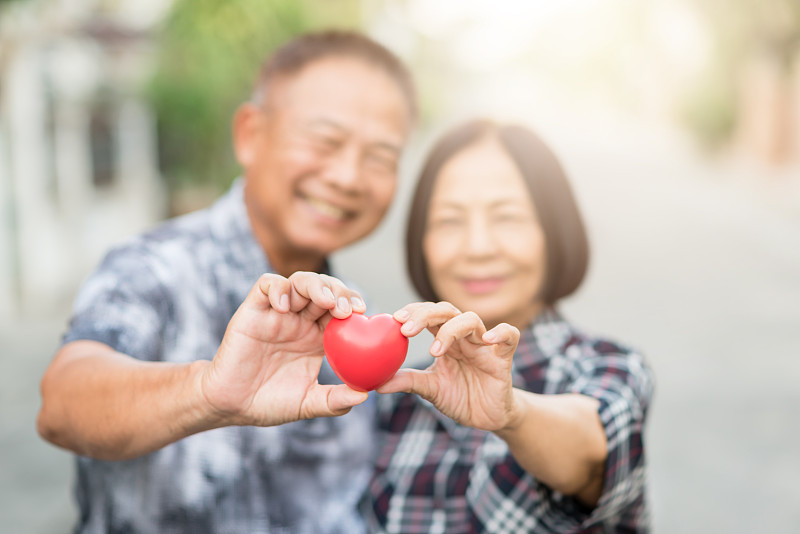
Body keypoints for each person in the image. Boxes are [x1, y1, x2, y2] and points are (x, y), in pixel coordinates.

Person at [37, 30, 415, 533]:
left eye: (380, 158)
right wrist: (207, 392)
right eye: (326, 140)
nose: (348, 176)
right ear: (250, 135)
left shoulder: (354, 322)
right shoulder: (155, 267)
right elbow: (62, 405)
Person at [363, 119, 654, 532]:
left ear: (554, 231)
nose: (478, 247)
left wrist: (512, 414)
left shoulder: (608, 369)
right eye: (449, 220)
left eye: (507, 217)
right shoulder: (399, 395)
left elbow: (593, 451)